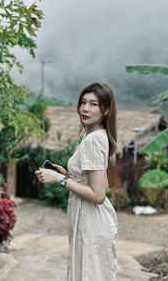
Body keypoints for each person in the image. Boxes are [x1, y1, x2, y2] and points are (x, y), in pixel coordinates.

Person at [35, 82, 118, 281]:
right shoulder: (96, 136)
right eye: (83, 102)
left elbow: (98, 195)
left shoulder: (93, 140)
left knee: (88, 274)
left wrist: (60, 179)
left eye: (93, 104)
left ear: (105, 110)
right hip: (89, 219)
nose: (85, 108)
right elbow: (93, 181)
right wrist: (69, 174)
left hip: (91, 220)